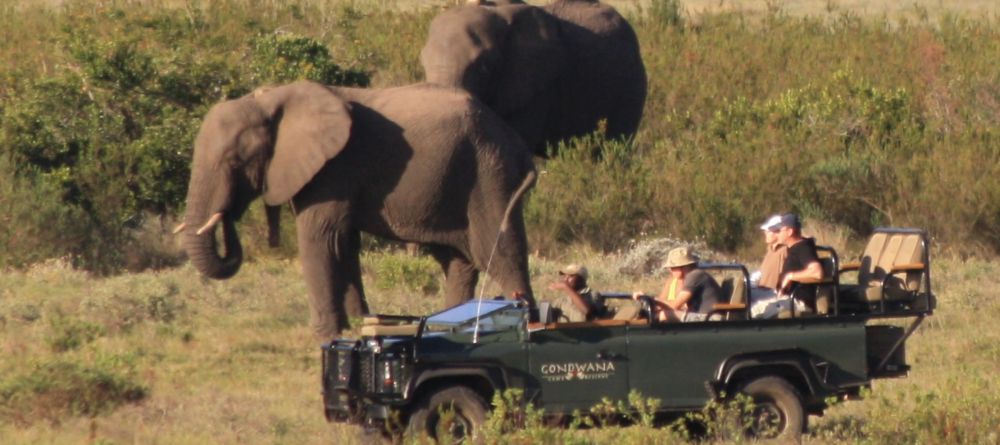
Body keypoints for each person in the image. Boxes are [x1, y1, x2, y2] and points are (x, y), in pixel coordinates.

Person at [633, 247, 722, 322]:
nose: (670, 270)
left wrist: (650, 299)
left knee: (664, 315)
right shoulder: (692, 276)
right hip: (702, 316)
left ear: (683, 267)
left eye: (672, 268)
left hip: (710, 319)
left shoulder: (695, 275)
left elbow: (674, 305)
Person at [773, 213, 823, 313]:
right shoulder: (792, 248)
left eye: (779, 230)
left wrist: (790, 276)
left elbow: (817, 273)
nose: (776, 234)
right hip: (787, 299)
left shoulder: (803, 248)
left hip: (798, 302)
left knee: (757, 312)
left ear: (790, 232)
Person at [750, 214, 789, 318]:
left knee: (746, 295)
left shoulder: (785, 250)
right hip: (762, 289)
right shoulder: (770, 249)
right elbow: (762, 273)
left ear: (777, 232)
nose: (765, 233)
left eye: (768, 231)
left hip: (773, 292)